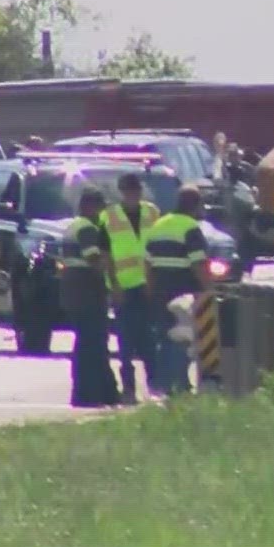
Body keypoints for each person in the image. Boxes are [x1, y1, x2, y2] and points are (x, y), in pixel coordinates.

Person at [144, 185, 213, 396]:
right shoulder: (191, 227)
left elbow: (146, 263)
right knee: (182, 337)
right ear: (196, 205)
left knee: (165, 337)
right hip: (183, 290)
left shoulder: (158, 225)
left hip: (159, 290)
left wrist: (150, 288)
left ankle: (164, 383)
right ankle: (179, 385)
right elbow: (197, 263)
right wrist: (209, 290)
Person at [57, 187, 120, 408]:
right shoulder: (87, 230)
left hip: (74, 293)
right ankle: (90, 393)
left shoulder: (73, 227)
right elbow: (95, 262)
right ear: (89, 206)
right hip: (87, 294)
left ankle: (99, 391)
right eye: (100, 206)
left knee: (87, 343)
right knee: (91, 344)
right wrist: (113, 282)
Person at [102, 171, 161, 403]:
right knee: (125, 342)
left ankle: (155, 386)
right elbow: (106, 254)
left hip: (148, 285)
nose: (132, 194)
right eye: (128, 190)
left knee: (149, 339)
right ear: (122, 191)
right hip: (123, 287)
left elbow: (156, 248)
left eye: (135, 190)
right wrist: (114, 284)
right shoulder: (109, 216)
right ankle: (128, 389)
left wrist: (153, 282)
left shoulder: (152, 212)